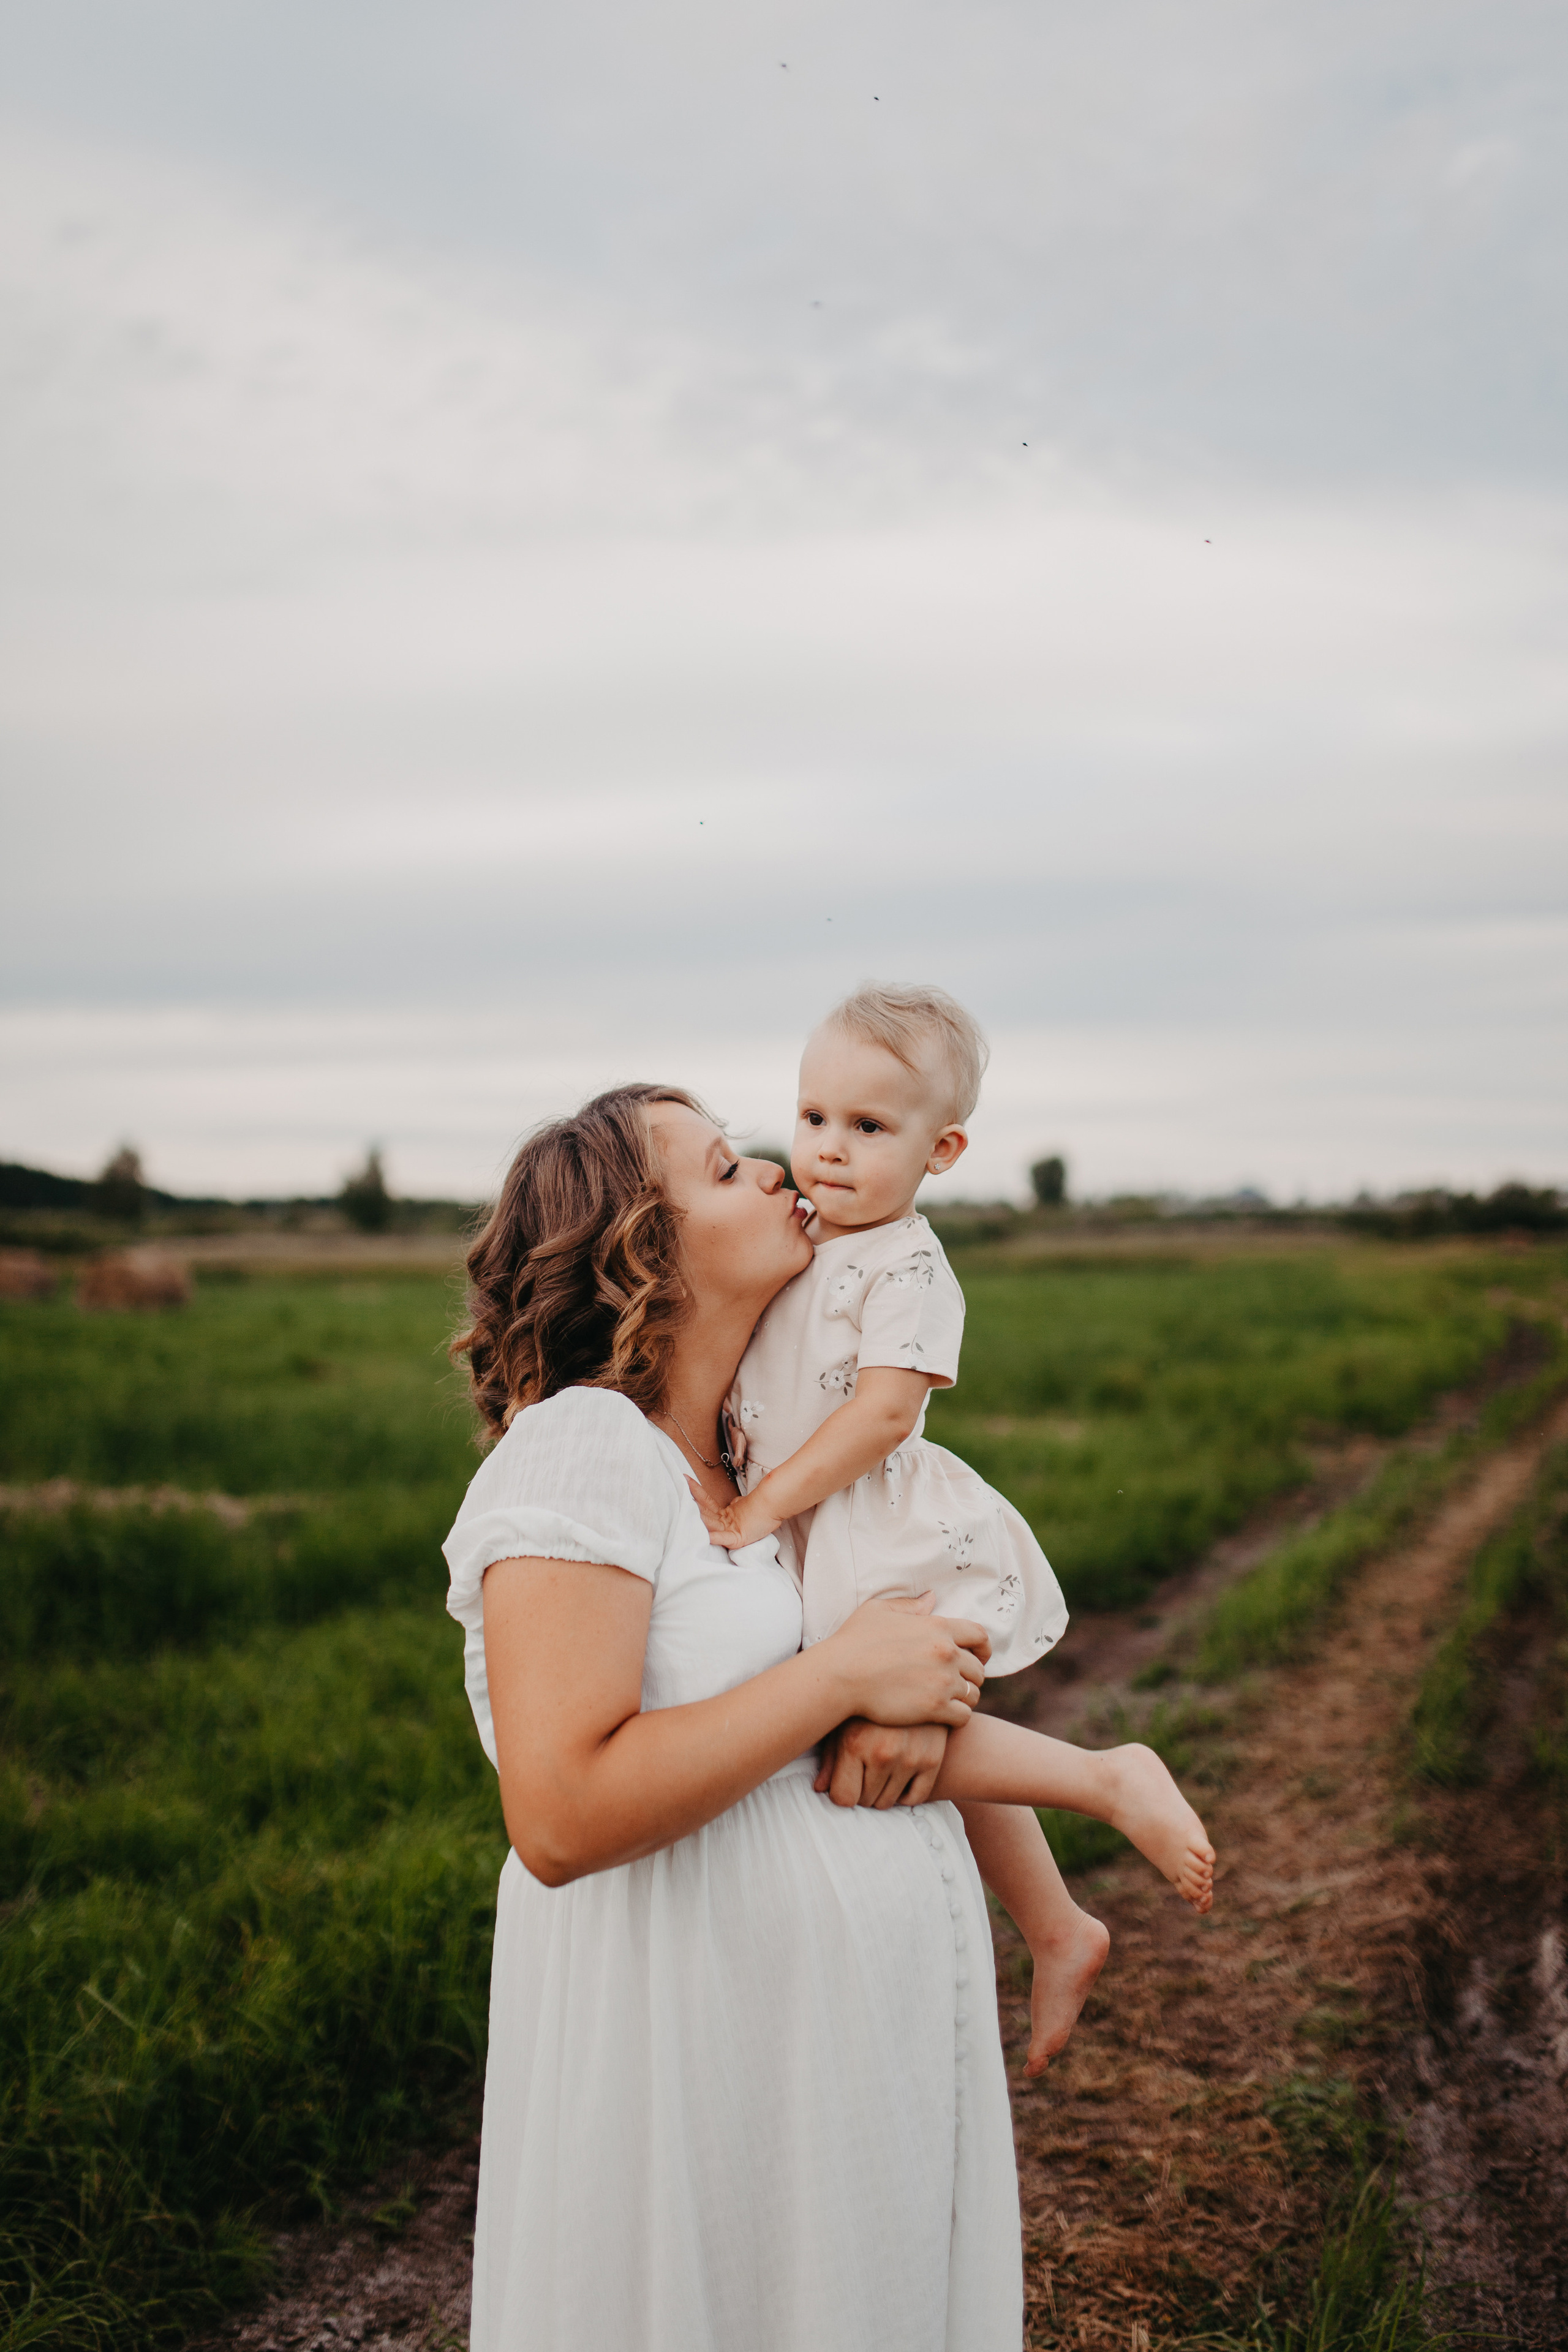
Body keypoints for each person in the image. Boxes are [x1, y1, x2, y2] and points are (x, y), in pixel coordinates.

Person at [443, 1084, 1022, 2352]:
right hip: (687, 2063)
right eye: (721, 1168)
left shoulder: (753, 1471)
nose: (775, 1169)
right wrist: (839, 1679)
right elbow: (559, 1811)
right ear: (637, 1249)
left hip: (820, 2080)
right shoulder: (585, 1448)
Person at [692, 984, 1215, 2074]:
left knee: (870, 1733)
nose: (829, 1151)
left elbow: (884, 1413)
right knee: (900, 1744)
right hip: (808, 1528)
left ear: (943, 1151)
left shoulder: (909, 1265)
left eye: (871, 1128)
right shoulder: (802, 1235)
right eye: (814, 1118)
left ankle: (1112, 1778)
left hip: (869, 1528)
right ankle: (1059, 1925)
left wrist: (761, 1505)